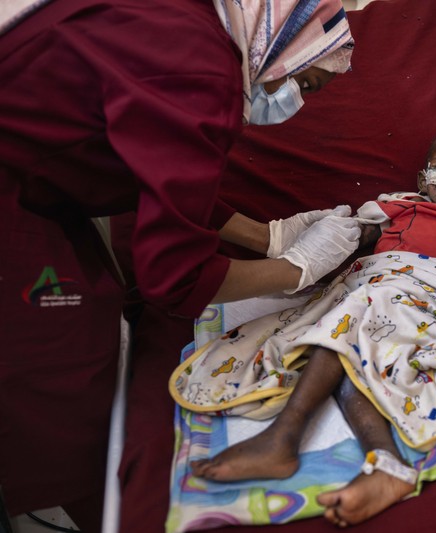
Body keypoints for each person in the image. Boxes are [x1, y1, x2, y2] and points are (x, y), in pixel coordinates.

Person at [0, 0, 360, 529]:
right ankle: (86, 507)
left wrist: (268, 237)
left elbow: (157, 172)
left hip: (37, 178)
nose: (296, 103)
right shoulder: (200, 68)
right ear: (283, 43)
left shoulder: (185, 23)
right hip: (17, 189)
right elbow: (174, 277)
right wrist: (297, 268)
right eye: (307, 85)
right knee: (60, 356)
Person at [177, 124, 436, 527]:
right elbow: (354, 240)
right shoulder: (394, 206)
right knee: (351, 329)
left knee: (356, 321)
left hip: (430, 291)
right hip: (376, 279)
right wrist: (325, 238)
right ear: (422, 177)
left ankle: (286, 436)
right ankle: (377, 460)